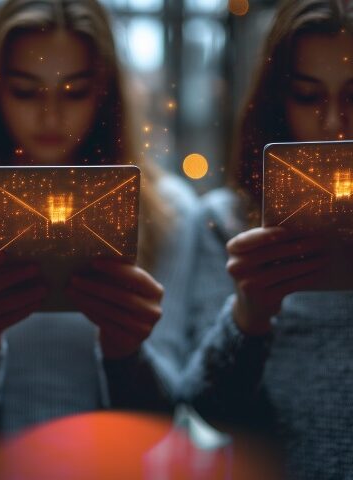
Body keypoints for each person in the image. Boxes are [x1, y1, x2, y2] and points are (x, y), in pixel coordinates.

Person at [0, 0, 198, 444]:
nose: (50, 117)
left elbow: (162, 418)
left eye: (74, 92)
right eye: (27, 91)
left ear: (105, 92)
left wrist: (126, 352)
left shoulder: (169, 211)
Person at [178, 0, 353, 478]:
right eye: (307, 96)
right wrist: (248, 317)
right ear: (278, 102)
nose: (334, 124)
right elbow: (210, 409)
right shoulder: (224, 222)